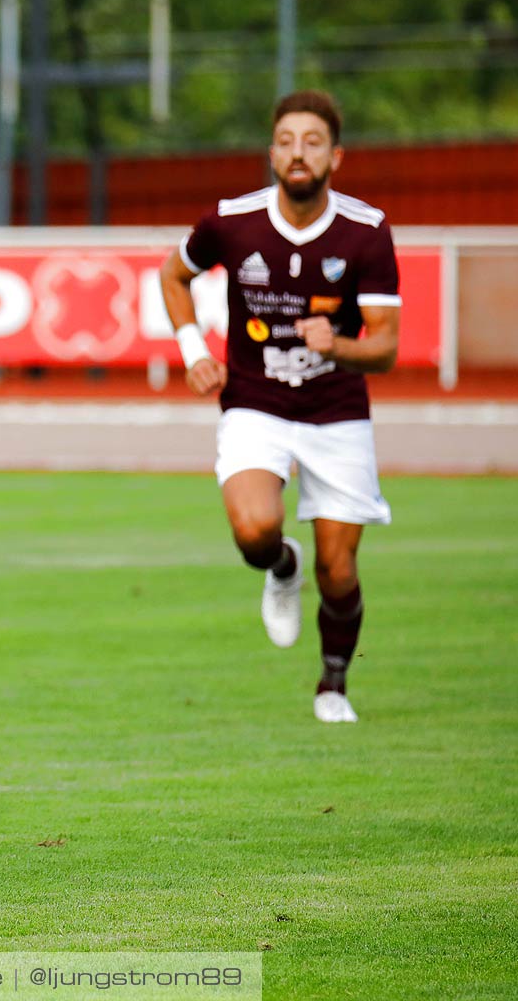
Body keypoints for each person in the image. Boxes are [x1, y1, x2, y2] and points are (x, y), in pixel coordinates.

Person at [159, 90, 400, 724]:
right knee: (255, 530)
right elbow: (173, 274)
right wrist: (193, 349)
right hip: (255, 404)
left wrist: (341, 344)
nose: (299, 153)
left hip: (338, 411)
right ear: (272, 152)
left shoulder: (366, 232)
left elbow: (386, 348)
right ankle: (280, 566)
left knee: (340, 570)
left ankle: (333, 685)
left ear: (335, 156)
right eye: (287, 140)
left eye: (313, 142)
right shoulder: (231, 222)